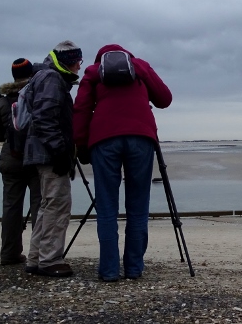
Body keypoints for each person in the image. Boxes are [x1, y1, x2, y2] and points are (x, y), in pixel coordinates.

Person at [73, 44, 172, 281]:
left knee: (106, 206)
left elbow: (81, 110)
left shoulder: (92, 72)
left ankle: (109, 270)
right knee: (138, 205)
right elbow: (164, 99)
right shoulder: (140, 67)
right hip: (141, 138)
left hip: (104, 140)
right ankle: (134, 268)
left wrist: (81, 146)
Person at [23, 41, 83, 278]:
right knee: (57, 206)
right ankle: (49, 260)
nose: (80, 66)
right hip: (49, 154)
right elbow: (45, 117)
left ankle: (36, 257)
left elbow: (42, 116)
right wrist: (60, 152)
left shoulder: (45, 76)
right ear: (69, 61)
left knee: (48, 206)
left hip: (42, 152)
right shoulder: (52, 78)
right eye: (78, 61)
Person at [0, 58, 41, 266]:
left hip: (11, 160)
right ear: (32, 74)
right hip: (36, 159)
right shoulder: (37, 95)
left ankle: (9, 253)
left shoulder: (3, 101)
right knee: (39, 207)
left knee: (11, 208)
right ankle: (39, 254)